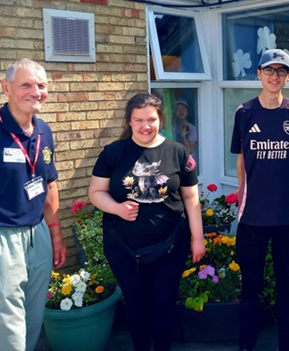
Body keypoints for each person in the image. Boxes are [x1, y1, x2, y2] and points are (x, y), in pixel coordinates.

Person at [88, 93, 205, 351]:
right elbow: (95, 193)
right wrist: (117, 208)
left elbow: (190, 197)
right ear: (129, 121)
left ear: (160, 119)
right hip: (124, 248)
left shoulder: (178, 152)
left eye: (151, 119)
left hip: (170, 245)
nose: (145, 126)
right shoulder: (113, 153)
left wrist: (198, 238)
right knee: (135, 303)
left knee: (164, 303)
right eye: (138, 120)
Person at [0, 58, 66, 351]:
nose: (36, 92)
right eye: (26, 85)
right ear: (6, 88)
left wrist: (55, 235)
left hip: (37, 235)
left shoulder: (44, 131)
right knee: (5, 335)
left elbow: (49, 184)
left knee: (31, 326)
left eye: (41, 85)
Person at [230, 49, 289, 351]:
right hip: (252, 217)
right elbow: (241, 159)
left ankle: (286, 345)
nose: (275, 76)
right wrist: (242, 190)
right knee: (251, 286)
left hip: (286, 216)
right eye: (269, 70)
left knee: (286, 287)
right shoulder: (244, 113)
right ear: (259, 74)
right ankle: (246, 345)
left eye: (281, 71)